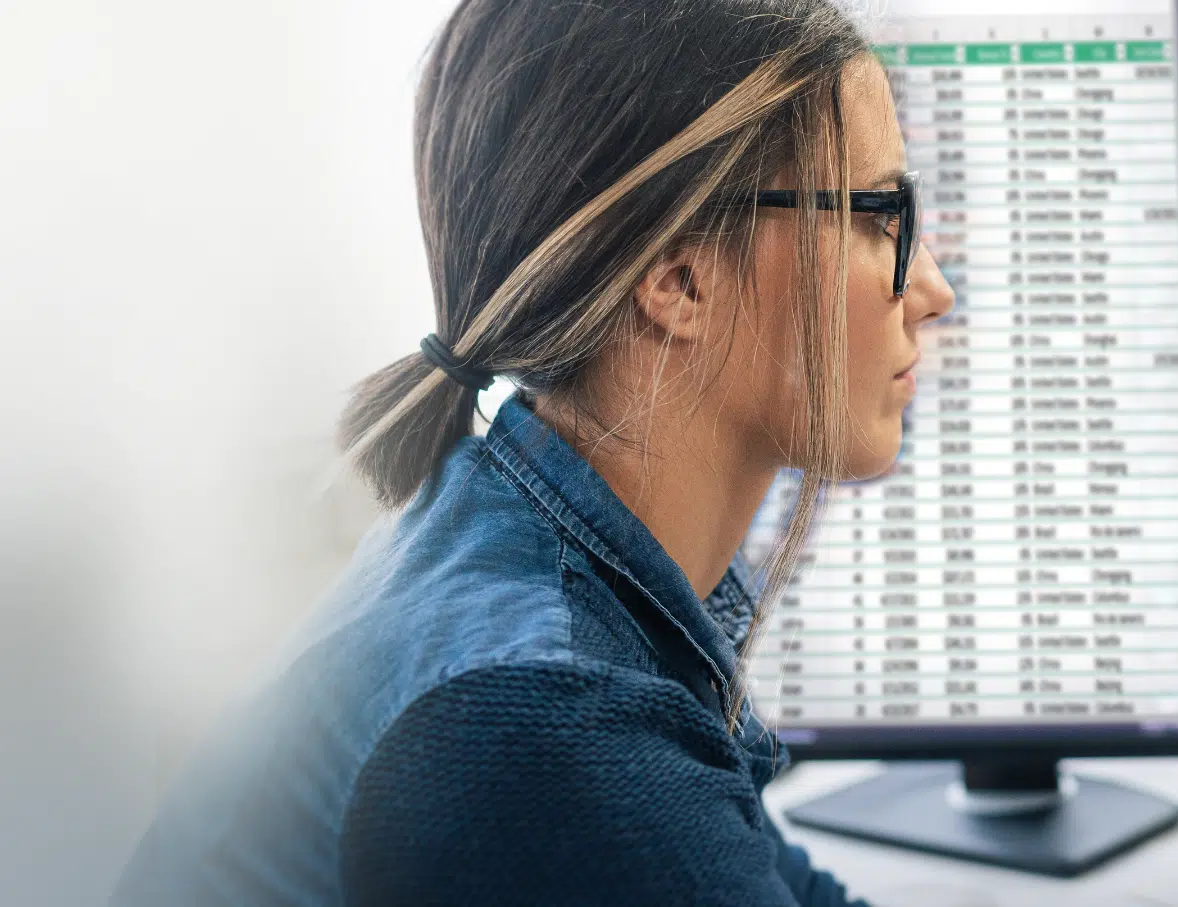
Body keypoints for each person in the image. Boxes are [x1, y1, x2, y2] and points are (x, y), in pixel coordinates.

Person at [111, 1, 952, 904]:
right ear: (679, 277)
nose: (933, 290)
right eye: (879, 214)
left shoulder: (528, 556)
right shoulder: (550, 720)